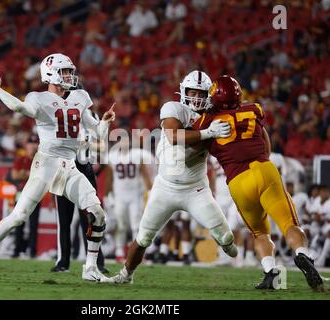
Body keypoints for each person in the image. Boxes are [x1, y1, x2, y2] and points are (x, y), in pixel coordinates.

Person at [0, 53, 116, 282]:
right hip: (46, 163)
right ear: (51, 74)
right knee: (19, 216)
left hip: (69, 164)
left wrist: (105, 121)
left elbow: (98, 131)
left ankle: (90, 268)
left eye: (70, 71)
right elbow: (18, 107)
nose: (69, 76)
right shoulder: (38, 97)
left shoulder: (80, 97)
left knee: (97, 213)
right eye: (64, 72)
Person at [104, 70, 237, 284]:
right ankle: (125, 275)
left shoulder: (215, 117)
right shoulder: (173, 108)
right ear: (183, 92)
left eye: (201, 93)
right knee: (143, 237)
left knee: (227, 238)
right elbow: (174, 137)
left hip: (196, 189)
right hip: (165, 188)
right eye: (192, 92)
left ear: (209, 95)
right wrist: (208, 133)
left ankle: (228, 246)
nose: (195, 98)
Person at [193, 75, 324, 291]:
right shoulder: (253, 110)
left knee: (260, 233)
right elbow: (265, 141)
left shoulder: (206, 121)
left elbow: (196, 147)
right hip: (263, 169)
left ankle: (270, 273)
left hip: (238, 180)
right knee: (290, 224)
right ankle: (302, 254)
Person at [52, 110, 107, 273]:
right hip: (64, 168)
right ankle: (63, 261)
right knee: (64, 220)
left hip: (83, 167)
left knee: (92, 218)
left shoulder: (89, 115)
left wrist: (96, 160)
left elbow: (100, 141)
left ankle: (96, 262)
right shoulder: (59, 112)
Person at [104, 135, 153, 262]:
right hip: (119, 196)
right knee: (120, 225)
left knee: (136, 225)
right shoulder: (112, 156)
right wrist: (106, 195)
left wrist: (150, 190)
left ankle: (137, 254)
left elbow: (145, 174)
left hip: (135, 196)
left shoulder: (137, 155)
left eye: (126, 140)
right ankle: (119, 252)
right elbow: (109, 178)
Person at [9, 134, 40, 258]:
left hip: (35, 193)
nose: (32, 146)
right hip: (21, 194)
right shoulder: (20, 159)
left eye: (35, 143)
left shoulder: (40, 159)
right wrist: (30, 175)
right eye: (30, 143)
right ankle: (17, 249)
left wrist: (25, 174)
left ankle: (32, 251)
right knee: (18, 222)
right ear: (26, 145)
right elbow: (15, 175)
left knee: (33, 224)